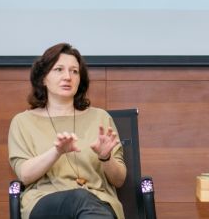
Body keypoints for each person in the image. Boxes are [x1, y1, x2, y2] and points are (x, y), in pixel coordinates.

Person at [8, 43, 126, 219]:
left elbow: (119, 180)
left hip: (98, 202)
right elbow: (24, 175)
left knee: (84, 200)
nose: (68, 77)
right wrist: (56, 152)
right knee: (79, 198)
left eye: (74, 71)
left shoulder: (100, 118)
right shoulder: (23, 122)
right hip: (44, 203)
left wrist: (105, 157)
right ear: (43, 78)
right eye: (59, 69)